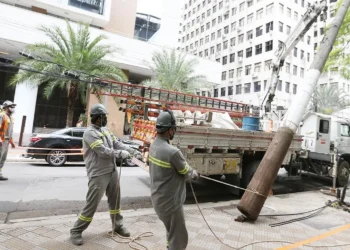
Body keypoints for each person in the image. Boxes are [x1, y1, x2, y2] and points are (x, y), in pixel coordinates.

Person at [70, 103, 142, 246]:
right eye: (104, 117)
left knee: (115, 201)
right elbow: (102, 152)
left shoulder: (105, 130)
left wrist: (132, 150)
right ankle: (76, 230)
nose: (105, 119)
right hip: (98, 174)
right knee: (92, 204)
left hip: (112, 171)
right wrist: (120, 154)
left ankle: (118, 225)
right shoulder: (90, 133)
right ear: (98, 117)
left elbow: (117, 143)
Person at [148, 110, 199, 250]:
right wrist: (194, 173)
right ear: (170, 130)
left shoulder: (153, 145)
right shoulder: (172, 152)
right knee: (179, 238)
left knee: (170, 231)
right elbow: (187, 172)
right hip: (171, 204)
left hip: (158, 201)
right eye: (173, 129)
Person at [0, 101, 16, 181]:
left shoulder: (10, 117)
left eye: (13, 106)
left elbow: (10, 131)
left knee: (3, 158)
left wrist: (12, 142)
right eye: (11, 106)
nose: (13, 108)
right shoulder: (2, 116)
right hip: (1, 141)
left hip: (6, 141)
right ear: (6, 107)